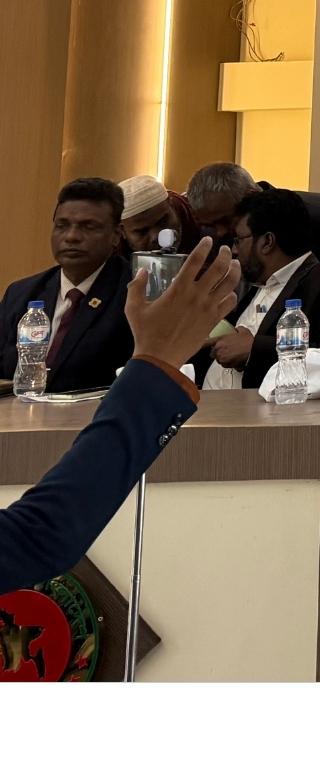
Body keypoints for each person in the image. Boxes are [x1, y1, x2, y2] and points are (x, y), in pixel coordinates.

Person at [0, 237, 237, 592]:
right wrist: (156, 364)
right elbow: (37, 538)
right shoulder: (26, 292)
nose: (73, 236)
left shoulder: (115, 287)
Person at [201, 188, 320, 390]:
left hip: (264, 405)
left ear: (267, 242)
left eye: (239, 239)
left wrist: (254, 349)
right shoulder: (254, 287)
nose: (234, 249)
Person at [0, 178, 138, 392]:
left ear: (117, 235)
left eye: (88, 227)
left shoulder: (134, 294)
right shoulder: (21, 294)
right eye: (62, 226)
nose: (71, 237)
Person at [185, 162, 320, 278]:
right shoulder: (214, 236)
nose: (220, 232)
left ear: (251, 195)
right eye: (209, 225)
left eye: (226, 220)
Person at [118, 174, 203, 253]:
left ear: (171, 204)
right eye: (142, 231)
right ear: (122, 231)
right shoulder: (113, 250)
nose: (156, 236)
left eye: (162, 222)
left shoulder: (202, 217)